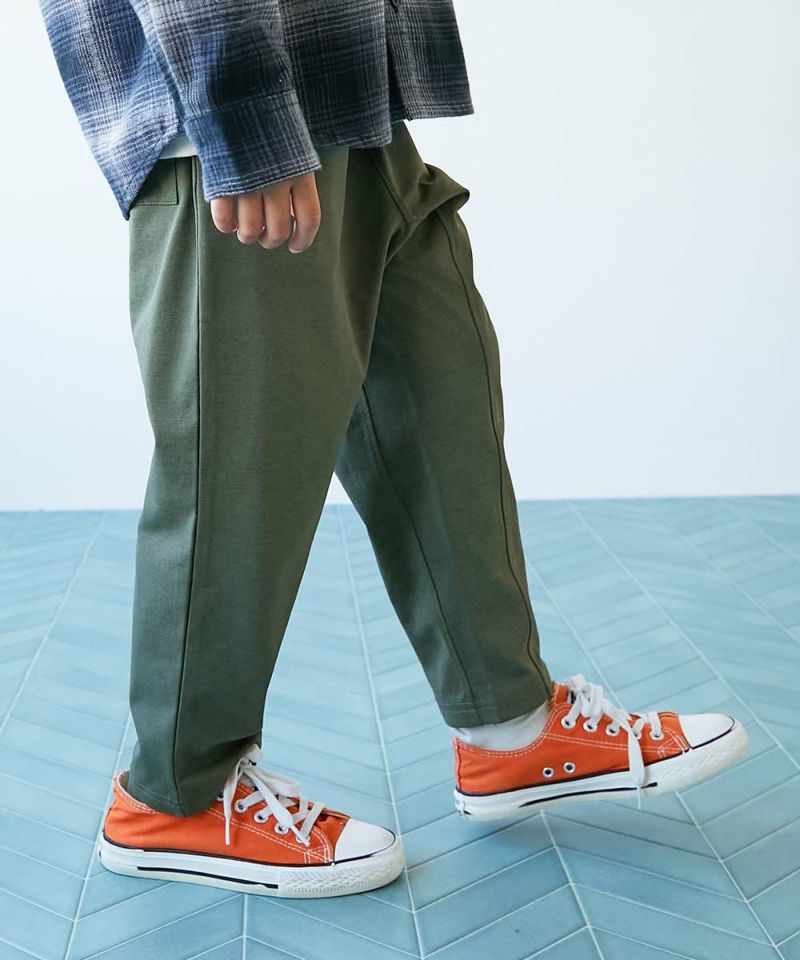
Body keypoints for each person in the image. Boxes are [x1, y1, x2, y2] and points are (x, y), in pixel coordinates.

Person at [39, 0, 748, 898]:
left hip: (350, 90)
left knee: (441, 402)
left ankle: (512, 731)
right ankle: (174, 798)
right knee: (239, 468)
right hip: (230, 116)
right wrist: (243, 122)